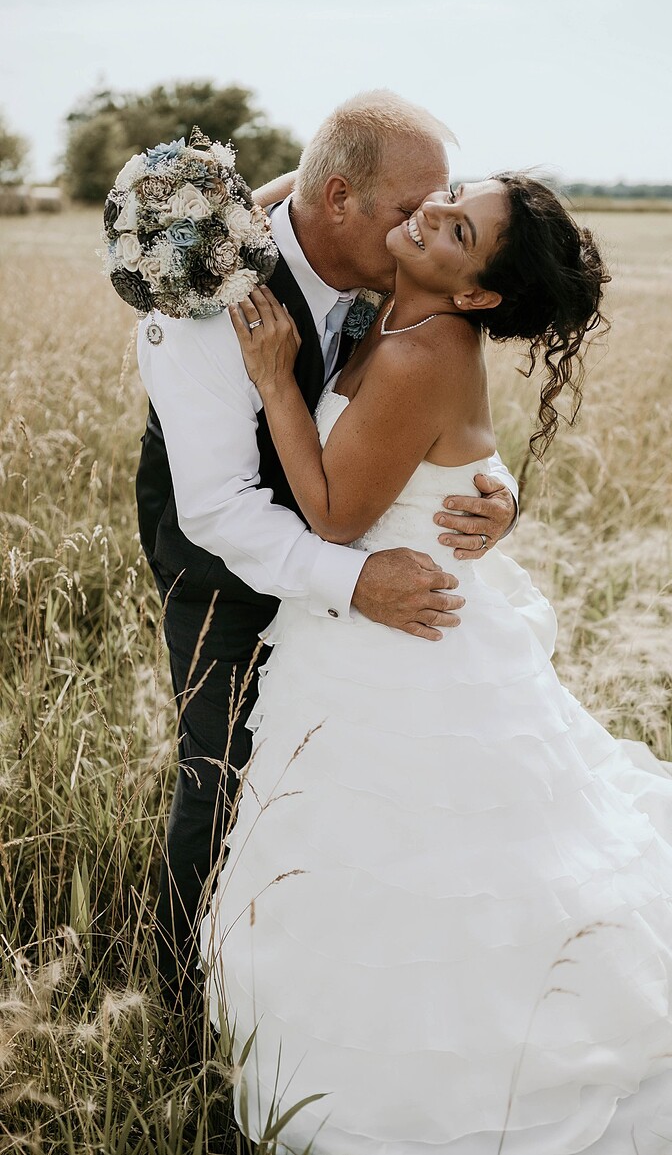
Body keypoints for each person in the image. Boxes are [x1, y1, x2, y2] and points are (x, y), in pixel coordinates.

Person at [200, 174, 672, 1154]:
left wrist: (273, 379)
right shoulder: (406, 312)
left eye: (457, 226)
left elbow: (333, 515)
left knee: (434, 864)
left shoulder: (422, 349)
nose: (430, 209)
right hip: (379, 621)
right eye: (452, 193)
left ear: (474, 293)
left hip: (404, 637)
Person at [134, 91, 519, 1014]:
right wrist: (355, 580)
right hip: (225, 568)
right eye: (412, 206)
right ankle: (182, 991)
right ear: (340, 198)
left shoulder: (403, 270)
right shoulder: (207, 303)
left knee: (337, 780)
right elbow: (219, 508)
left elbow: (441, 417)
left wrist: (499, 495)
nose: (426, 221)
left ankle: (322, 982)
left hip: (355, 559)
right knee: (223, 770)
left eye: (445, 202)